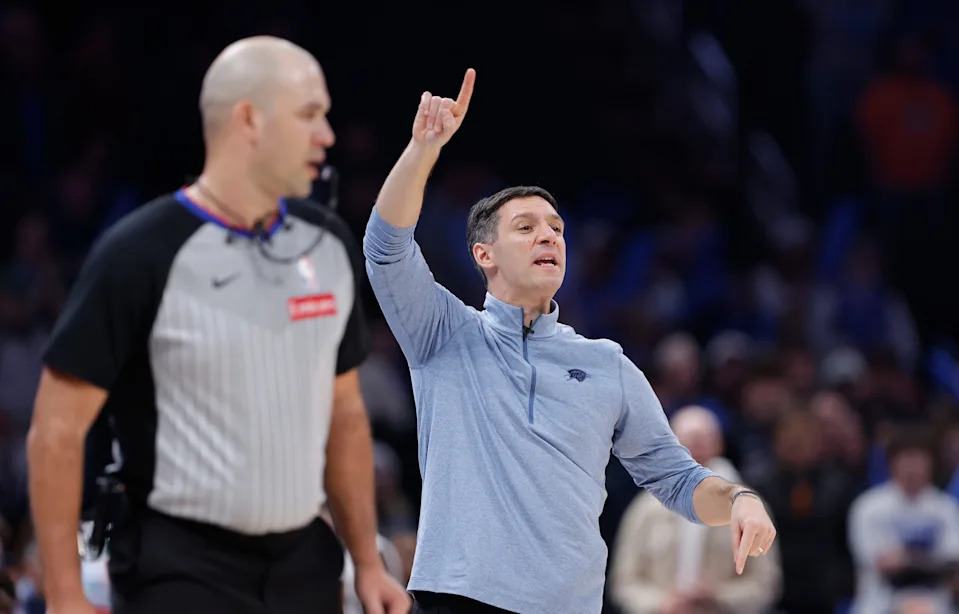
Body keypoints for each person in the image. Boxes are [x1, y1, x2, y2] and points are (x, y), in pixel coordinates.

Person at [362, 69, 778, 614]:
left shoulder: (607, 364)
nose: (548, 236)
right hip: (456, 598)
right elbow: (386, 249)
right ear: (483, 254)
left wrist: (741, 500)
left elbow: (677, 479)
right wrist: (423, 150)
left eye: (557, 228)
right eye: (526, 227)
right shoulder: (443, 333)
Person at [26, 35, 410, 614]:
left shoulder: (328, 244)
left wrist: (367, 562)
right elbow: (55, 433)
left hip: (304, 566)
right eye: (310, 114)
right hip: (178, 568)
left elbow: (347, 416)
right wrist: (62, 594)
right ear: (249, 119)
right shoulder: (139, 253)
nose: (327, 136)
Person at [609, 405, 782, 614]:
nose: (695, 447)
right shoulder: (645, 509)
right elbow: (625, 581)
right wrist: (661, 603)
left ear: (719, 444)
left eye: (703, 439)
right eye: (688, 439)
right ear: (671, 445)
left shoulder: (747, 506)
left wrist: (718, 596)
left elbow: (765, 583)